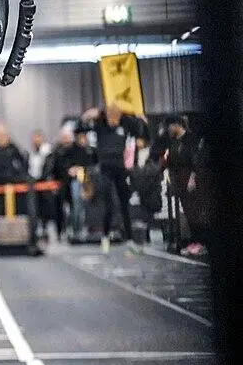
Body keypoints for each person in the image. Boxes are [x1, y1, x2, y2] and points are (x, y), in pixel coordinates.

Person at [79, 104, 148, 252]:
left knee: (124, 204)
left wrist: (139, 118)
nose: (113, 121)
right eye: (110, 117)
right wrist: (85, 117)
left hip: (120, 169)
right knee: (108, 203)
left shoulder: (125, 126)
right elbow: (79, 130)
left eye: (116, 117)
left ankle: (130, 239)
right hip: (105, 170)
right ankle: (105, 236)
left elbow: (141, 132)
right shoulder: (100, 126)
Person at [162, 115, 204, 255]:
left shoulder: (191, 139)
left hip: (190, 178)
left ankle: (200, 242)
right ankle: (193, 241)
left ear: (177, 125)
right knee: (187, 211)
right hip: (178, 178)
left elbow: (196, 160)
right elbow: (170, 161)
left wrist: (192, 178)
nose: (168, 129)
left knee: (195, 211)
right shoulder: (173, 142)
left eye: (170, 126)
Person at [27, 129, 54, 239]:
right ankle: (38, 228)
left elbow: (48, 167)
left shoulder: (47, 152)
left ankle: (44, 227)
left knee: (45, 207)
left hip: (44, 183)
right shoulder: (32, 152)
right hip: (34, 184)